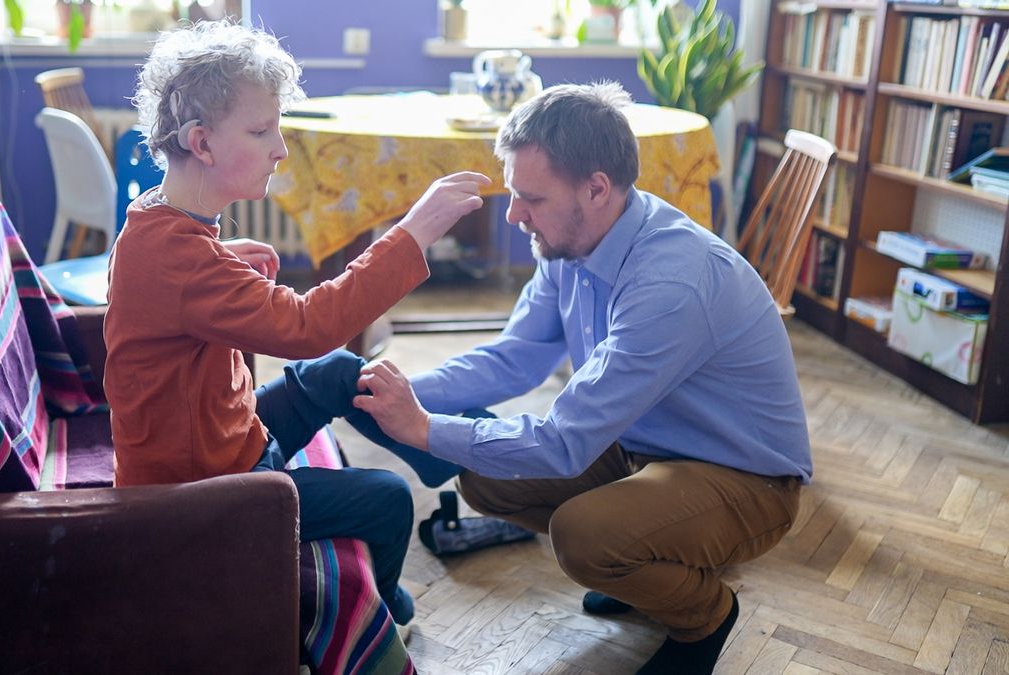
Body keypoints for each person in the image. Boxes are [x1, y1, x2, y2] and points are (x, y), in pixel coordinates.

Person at [353, 81, 812, 674]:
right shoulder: (569, 246)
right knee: (484, 479)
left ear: (597, 188)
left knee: (584, 536)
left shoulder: (670, 282)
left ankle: (703, 615)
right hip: (641, 448)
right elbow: (514, 358)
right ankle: (647, 562)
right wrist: (392, 390)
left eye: (531, 198)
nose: (513, 215)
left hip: (747, 480)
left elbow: (566, 444)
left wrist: (421, 430)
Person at [103, 19, 493, 627]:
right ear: (201, 143)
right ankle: (382, 611)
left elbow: (158, 289)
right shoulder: (181, 259)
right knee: (387, 501)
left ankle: (437, 452)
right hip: (198, 490)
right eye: (261, 131)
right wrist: (412, 231)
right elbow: (311, 324)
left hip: (228, 437)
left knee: (337, 373)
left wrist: (222, 260)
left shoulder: (157, 219)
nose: (280, 148)